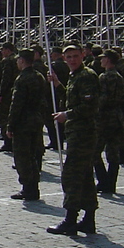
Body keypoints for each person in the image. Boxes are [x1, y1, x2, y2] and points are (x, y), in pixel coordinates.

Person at [47, 43, 99, 236]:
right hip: (76, 133)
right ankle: (89, 219)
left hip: (83, 134)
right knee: (84, 177)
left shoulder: (87, 76)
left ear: (82, 55)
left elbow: (89, 107)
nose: (72, 60)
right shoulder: (75, 76)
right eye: (68, 57)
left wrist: (66, 115)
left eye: (75, 56)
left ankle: (70, 219)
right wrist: (58, 85)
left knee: (71, 176)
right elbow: (72, 99)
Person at [7, 48, 45, 201]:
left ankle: (28, 188)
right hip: (36, 119)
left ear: (22, 61)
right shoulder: (39, 76)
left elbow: (17, 104)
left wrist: (10, 125)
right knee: (33, 156)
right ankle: (33, 187)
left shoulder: (22, 78)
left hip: (23, 122)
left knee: (22, 157)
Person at [94, 50, 124, 196]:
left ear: (108, 60)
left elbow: (102, 99)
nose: (101, 61)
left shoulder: (104, 77)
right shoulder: (119, 77)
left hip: (104, 118)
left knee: (95, 152)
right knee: (113, 153)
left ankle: (103, 181)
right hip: (117, 116)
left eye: (103, 59)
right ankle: (111, 184)